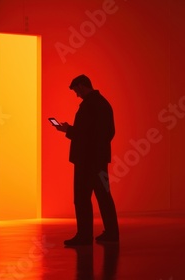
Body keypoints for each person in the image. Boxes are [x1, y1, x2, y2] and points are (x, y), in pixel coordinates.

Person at [55, 74, 119, 246]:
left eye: (77, 90)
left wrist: (68, 130)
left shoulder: (89, 106)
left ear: (82, 86)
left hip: (86, 161)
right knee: (104, 196)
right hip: (100, 160)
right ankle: (112, 232)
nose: (77, 94)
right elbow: (106, 132)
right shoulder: (103, 104)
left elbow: (85, 134)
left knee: (82, 198)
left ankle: (84, 235)